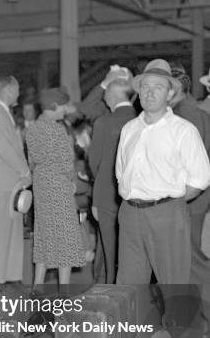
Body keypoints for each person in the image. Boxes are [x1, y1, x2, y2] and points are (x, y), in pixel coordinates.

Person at [115, 59, 210, 284]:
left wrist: (167, 199)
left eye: (158, 87)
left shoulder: (183, 130)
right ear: (138, 93)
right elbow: (121, 172)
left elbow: (200, 178)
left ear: (169, 94)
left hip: (167, 214)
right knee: (128, 286)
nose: (150, 93)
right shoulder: (129, 129)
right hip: (129, 214)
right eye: (145, 87)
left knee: (174, 286)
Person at [26, 87, 87, 287]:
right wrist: (72, 182)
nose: (66, 110)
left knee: (44, 233)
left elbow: (32, 160)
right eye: (63, 106)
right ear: (53, 106)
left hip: (41, 183)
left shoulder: (32, 129)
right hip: (59, 185)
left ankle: (37, 285)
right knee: (65, 237)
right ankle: (64, 290)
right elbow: (66, 161)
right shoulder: (57, 129)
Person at [87, 65, 136, 283]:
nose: (104, 95)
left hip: (107, 195)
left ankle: (110, 290)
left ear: (114, 94)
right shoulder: (141, 121)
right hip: (137, 196)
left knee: (109, 249)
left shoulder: (104, 122)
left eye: (107, 90)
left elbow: (94, 163)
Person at [0, 76, 31, 285]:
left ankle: (11, 276)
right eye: (17, 89)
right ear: (9, 90)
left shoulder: (1, 113)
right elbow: (5, 148)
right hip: (1, 182)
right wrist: (25, 170)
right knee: (1, 232)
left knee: (12, 232)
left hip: (10, 182)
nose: (18, 94)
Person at [169, 62, 210, 285]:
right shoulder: (197, 112)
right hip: (197, 196)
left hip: (187, 196)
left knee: (189, 259)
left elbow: (183, 162)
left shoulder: (184, 116)